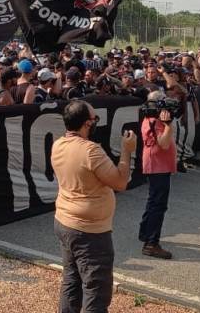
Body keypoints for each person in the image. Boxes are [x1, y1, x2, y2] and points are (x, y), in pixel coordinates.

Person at [51, 100, 136, 313]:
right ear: (87, 124)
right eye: (94, 119)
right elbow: (120, 182)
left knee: (71, 281)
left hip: (65, 221)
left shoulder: (58, 144)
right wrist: (127, 151)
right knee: (96, 291)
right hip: (90, 231)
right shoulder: (91, 151)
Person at [139, 96, 176, 259]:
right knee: (158, 205)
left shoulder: (150, 118)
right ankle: (151, 243)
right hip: (158, 166)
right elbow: (164, 143)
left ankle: (145, 233)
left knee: (152, 200)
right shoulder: (155, 121)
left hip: (157, 165)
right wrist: (168, 126)